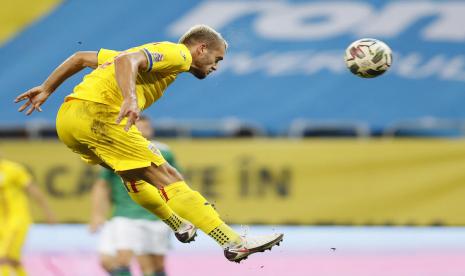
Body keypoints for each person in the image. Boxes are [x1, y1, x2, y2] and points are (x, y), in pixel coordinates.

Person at [15, 24, 283, 264]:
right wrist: (130, 98)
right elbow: (127, 61)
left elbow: (81, 58)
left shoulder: (157, 56)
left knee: (134, 176)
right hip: (100, 115)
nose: (216, 66)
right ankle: (233, 242)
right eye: (217, 58)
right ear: (201, 48)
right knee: (168, 176)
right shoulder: (178, 54)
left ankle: (179, 224)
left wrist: (47, 87)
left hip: (69, 121)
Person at [90, 116, 178, 276]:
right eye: (141, 127)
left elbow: (176, 182)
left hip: (157, 216)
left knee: (156, 266)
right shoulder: (117, 151)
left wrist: (181, 211)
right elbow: (102, 185)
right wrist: (97, 214)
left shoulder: (163, 151)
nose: (145, 130)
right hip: (125, 215)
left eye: (147, 127)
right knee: (122, 259)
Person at [0, 157, 56, 276]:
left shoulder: (13, 170)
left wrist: (47, 211)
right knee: (13, 259)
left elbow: (33, 190)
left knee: (3, 256)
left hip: (16, 221)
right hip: (1, 223)